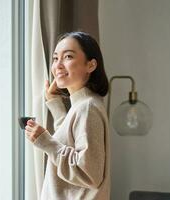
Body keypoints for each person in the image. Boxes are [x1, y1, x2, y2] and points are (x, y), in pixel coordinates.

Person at [24, 31, 110, 200]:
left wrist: (47, 143)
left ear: (91, 65)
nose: (58, 65)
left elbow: (89, 173)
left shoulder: (87, 107)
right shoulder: (83, 105)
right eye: (55, 58)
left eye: (68, 57)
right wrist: (55, 105)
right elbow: (70, 140)